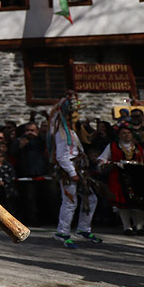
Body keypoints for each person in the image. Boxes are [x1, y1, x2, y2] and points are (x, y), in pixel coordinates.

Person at [49, 93, 102, 248]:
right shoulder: (62, 134)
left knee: (91, 199)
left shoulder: (71, 133)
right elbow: (61, 156)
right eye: (74, 115)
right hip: (70, 171)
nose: (77, 118)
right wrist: (72, 173)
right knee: (70, 202)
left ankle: (84, 229)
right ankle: (62, 232)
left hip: (79, 169)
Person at [98, 123, 144, 234]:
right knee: (123, 203)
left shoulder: (139, 147)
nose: (126, 135)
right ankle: (127, 227)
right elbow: (102, 159)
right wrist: (108, 163)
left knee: (140, 202)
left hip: (138, 177)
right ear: (119, 135)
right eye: (123, 133)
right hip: (120, 177)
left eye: (128, 133)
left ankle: (139, 227)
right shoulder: (112, 146)